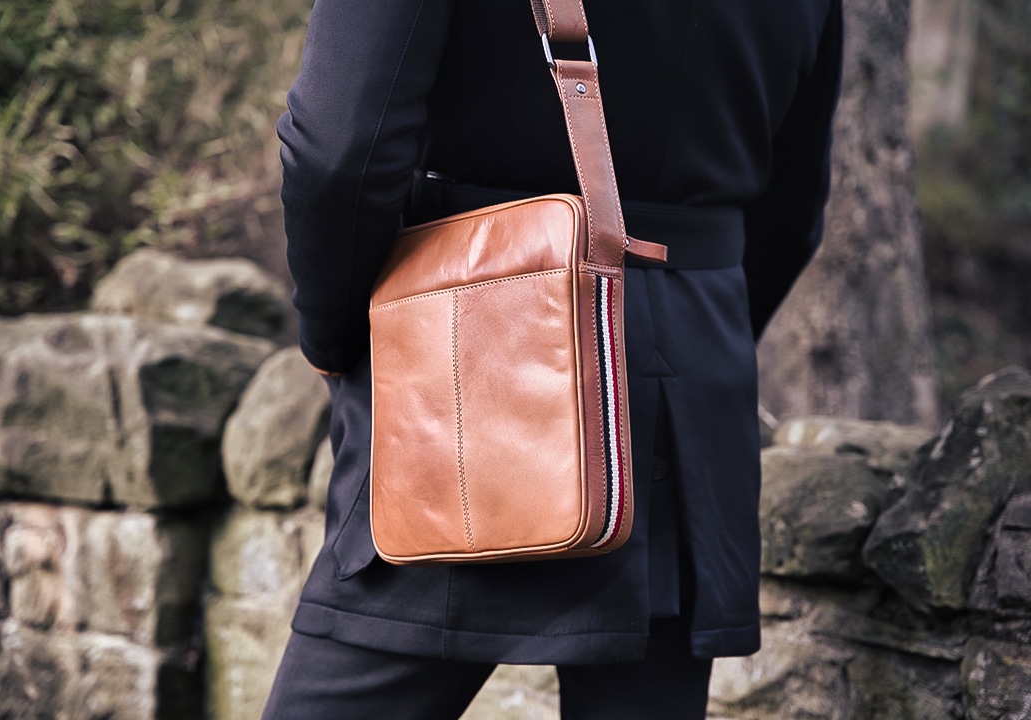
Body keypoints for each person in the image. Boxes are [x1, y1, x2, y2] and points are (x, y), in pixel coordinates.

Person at [264, 0, 843, 717]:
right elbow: (792, 213)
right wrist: (680, 347)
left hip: (467, 356)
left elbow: (338, 151)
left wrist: (336, 338)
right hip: (690, 402)